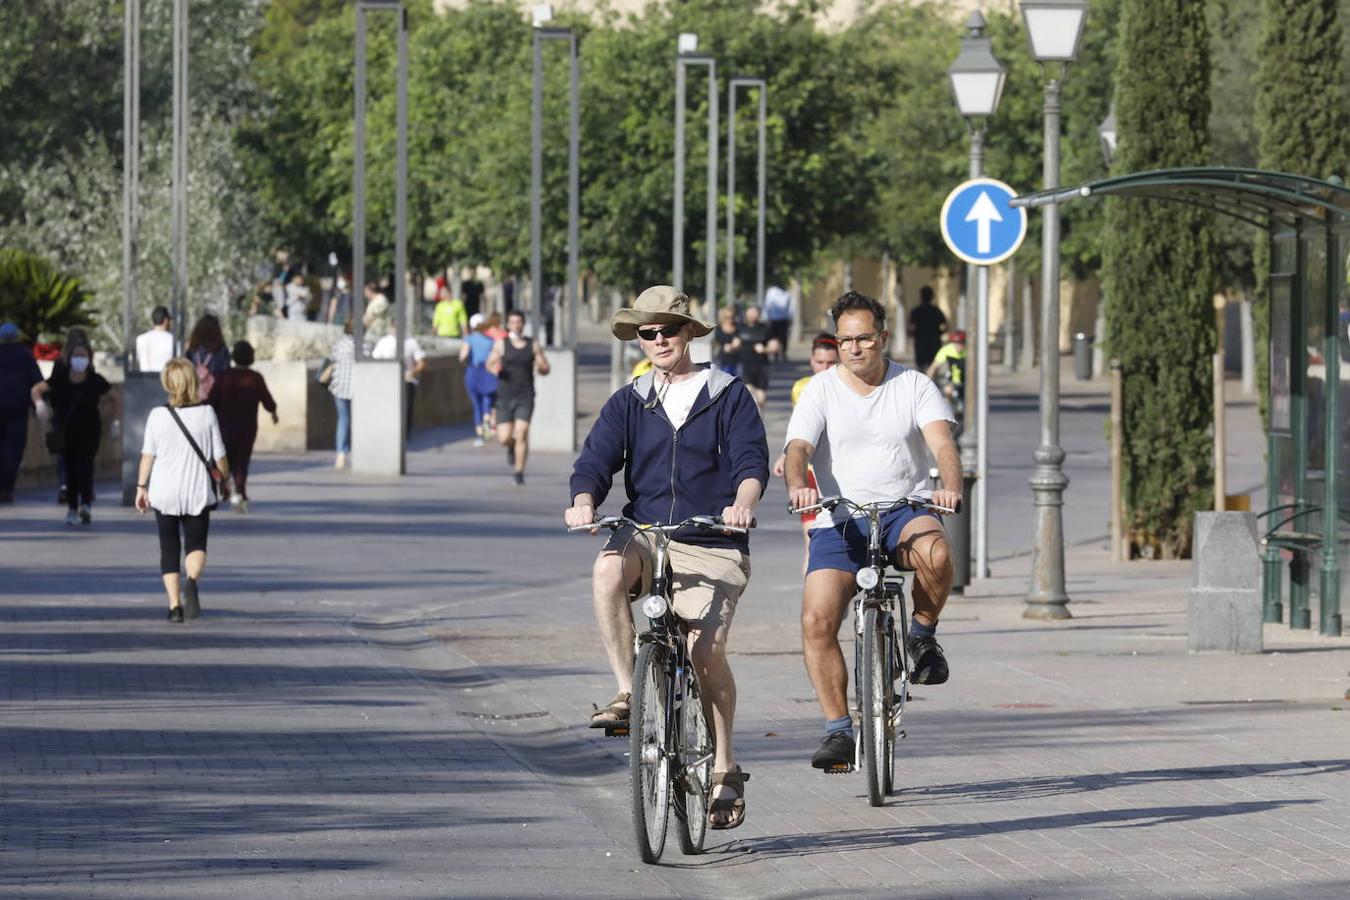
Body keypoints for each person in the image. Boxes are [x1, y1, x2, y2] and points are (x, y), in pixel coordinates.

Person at [565, 285, 768, 830]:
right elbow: (595, 460)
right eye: (646, 332)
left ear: (689, 334)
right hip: (647, 531)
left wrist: (741, 505)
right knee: (607, 568)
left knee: (705, 651)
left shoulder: (727, 393)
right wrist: (584, 500)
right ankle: (631, 690)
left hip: (710, 536)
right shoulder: (630, 398)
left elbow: (751, 461)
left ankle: (724, 764)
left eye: (667, 330)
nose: (657, 340)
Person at [783, 291, 961, 771]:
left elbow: (942, 444)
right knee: (816, 620)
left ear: (883, 337)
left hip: (904, 508)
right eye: (845, 341)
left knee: (938, 554)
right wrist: (800, 487)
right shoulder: (821, 390)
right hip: (840, 518)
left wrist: (948, 487)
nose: (855, 348)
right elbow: (798, 448)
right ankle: (839, 730)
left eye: (864, 338)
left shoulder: (915, 385)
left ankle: (922, 635)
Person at [134, 358, 230, 623]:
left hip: (164, 491)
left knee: (168, 547)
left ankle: (175, 606)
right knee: (196, 544)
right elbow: (219, 456)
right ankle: (191, 581)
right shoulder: (207, 413)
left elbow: (147, 456)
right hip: (197, 489)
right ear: (193, 381)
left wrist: (141, 487)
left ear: (167, 382)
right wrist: (225, 476)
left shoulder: (157, 415)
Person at [772, 334, 840, 574]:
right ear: (812, 361)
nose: (824, 368)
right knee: (812, 542)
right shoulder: (801, 388)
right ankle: (817, 599)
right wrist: (785, 455)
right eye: (820, 362)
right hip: (810, 471)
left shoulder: (845, 388)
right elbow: (798, 430)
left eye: (830, 363)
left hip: (839, 471)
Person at [35, 342, 111, 525]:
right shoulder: (60, 378)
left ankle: (85, 505)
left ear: (89, 358)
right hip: (66, 432)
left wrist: (112, 419)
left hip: (90, 431)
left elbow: (113, 396)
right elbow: (36, 390)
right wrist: (40, 405)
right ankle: (71, 508)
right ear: (69, 358)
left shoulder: (95, 379)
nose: (80, 359)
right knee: (70, 472)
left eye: (83, 355)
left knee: (85, 468)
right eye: (77, 355)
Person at [208, 341, 277, 513]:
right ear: (251, 357)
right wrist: (274, 412)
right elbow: (267, 400)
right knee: (242, 463)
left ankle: (225, 485)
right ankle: (239, 492)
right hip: (247, 429)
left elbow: (212, 401)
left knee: (226, 460)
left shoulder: (224, 376)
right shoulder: (255, 378)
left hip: (224, 429)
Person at [488, 309, 549, 485]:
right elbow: (489, 363)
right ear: (508, 324)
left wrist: (542, 368)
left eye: (519, 322)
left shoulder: (533, 344)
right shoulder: (501, 344)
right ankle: (511, 447)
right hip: (505, 396)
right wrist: (495, 369)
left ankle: (519, 472)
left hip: (525, 395)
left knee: (522, 432)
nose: (516, 325)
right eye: (512, 322)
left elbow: (544, 366)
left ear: (523, 324)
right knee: (504, 438)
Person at [0, 322, 43, 503]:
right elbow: (37, 382)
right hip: (18, 410)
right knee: (14, 449)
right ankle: (6, 487)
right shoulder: (25, 355)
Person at [371, 329, 428, 438]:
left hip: (405, 380)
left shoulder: (410, 342)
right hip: (391, 381)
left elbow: (422, 363)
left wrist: (412, 372)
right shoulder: (384, 342)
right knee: (398, 408)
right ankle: (397, 433)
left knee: (404, 408)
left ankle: (402, 433)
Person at [459, 313, 497, 446]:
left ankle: (480, 432)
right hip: (488, 372)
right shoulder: (491, 341)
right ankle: (488, 424)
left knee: (477, 404)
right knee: (487, 401)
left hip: (473, 371)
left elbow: (462, 357)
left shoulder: (469, 339)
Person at [736, 305, 778, 410]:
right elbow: (734, 341)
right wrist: (732, 346)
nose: (752, 315)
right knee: (750, 394)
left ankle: (758, 415)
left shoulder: (765, 328)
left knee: (761, 399)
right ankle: (752, 418)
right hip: (745, 366)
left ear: (759, 315)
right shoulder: (740, 328)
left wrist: (765, 350)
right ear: (746, 314)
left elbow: (775, 346)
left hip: (761, 367)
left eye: (754, 313)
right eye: (750, 313)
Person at [328, 321, 356, 469]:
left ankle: (341, 454)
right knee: (357, 421)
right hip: (357, 389)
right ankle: (357, 451)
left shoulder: (339, 345)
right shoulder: (363, 346)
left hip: (339, 387)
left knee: (343, 420)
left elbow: (331, 360)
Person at [185, 315, 231, 401]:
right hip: (216, 395)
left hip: (195, 394)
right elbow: (226, 373)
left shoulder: (192, 349)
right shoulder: (222, 350)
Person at [908, 285, 948, 371]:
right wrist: (939, 333)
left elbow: (910, 328)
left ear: (921, 296)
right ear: (932, 297)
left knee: (921, 366)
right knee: (933, 365)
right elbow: (945, 326)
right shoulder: (936, 311)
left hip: (921, 341)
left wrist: (914, 335)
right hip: (934, 341)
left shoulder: (916, 311)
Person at [135, 306, 175, 373]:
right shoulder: (172, 340)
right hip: (166, 380)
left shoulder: (140, 339)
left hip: (144, 380)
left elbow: (138, 360)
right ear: (166, 320)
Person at [763, 285, 794, 361]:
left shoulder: (787, 293)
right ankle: (775, 353)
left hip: (783, 319)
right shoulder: (771, 292)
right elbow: (767, 304)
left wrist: (790, 317)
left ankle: (783, 353)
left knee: (783, 337)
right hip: (774, 319)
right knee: (774, 337)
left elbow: (790, 307)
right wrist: (766, 317)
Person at [712, 307, 741, 375]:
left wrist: (734, 347)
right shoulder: (718, 329)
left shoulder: (738, 328)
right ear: (723, 317)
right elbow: (716, 345)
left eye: (732, 317)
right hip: (723, 362)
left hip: (737, 361)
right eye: (727, 317)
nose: (730, 319)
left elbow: (739, 343)